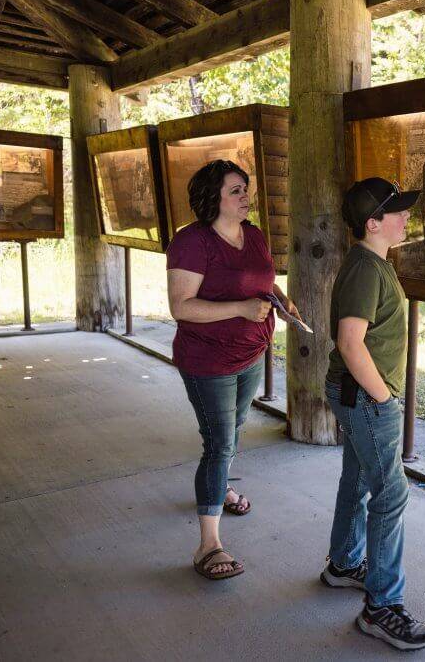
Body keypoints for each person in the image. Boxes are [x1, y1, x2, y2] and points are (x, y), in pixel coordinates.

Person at [166, 159, 301, 580]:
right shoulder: (191, 242)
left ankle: (219, 487)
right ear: (214, 199)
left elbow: (262, 280)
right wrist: (241, 308)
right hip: (207, 360)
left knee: (232, 429)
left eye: (246, 188)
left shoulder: (255, 235)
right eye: (236, 191)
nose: (247, 197)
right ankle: (209, 545)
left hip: (250, 354)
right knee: (220, 444)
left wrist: (280, 299)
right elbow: (181, 307)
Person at [320, 177, 425, 651]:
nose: (407, 217)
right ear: (373, 223)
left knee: (359, 479)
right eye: (398, 211)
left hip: (358, 396)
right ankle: (381, 607)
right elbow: (350, 342)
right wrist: (385, 401)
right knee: (390, 492)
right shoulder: (367, 269)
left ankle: (345, 564)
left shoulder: (374, 262)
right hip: (367, 398)